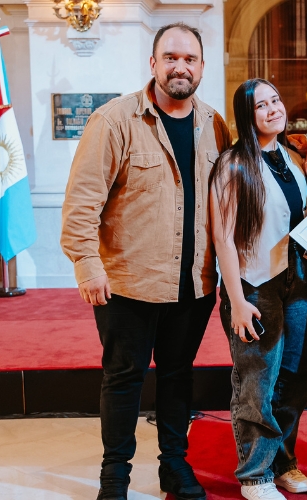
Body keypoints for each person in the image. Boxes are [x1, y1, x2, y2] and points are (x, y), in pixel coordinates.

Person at [60, 22, 232, 500]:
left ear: (202, 67)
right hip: (127, 284)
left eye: (190, 59)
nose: (181, 67)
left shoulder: (214, 124)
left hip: (194, 284)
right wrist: (87, 265)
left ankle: (174, 466)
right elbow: (81, 203)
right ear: (153, 63)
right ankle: (114, 476)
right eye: (171, 57)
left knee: (178, 378)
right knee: (123, 379)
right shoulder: (114, 120)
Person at [209, 78, 307, 500]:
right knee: (258, 379)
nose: (273, 109)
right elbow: (223, 238)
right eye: (261, 105)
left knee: (295, 375)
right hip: (254, 284)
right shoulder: (233, 164)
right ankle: (255, 475)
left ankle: (283, 461)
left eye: (276, 100)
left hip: (298, 279)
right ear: (247, 115)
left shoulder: (290, 157)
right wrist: (236, 300)